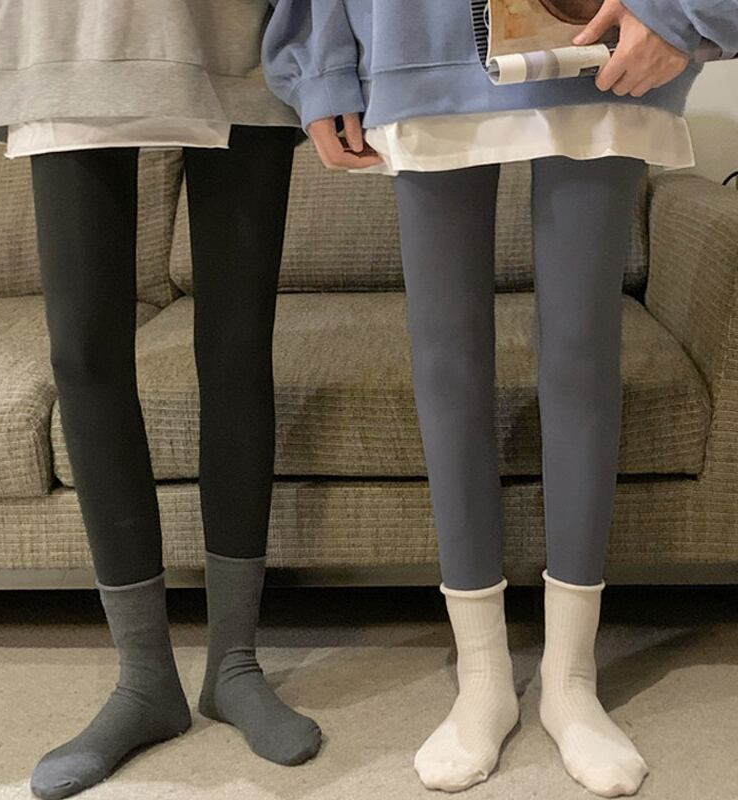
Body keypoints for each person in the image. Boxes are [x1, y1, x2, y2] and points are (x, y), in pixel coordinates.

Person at [262, 0, 738, 796]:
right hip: (417, 35)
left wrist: (680, 10)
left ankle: (570, 677)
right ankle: (482, 674)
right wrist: (323, 65)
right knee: (446, 360)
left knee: (583, 352)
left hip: (596, 37)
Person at [0, 2, 322, 798]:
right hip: (62, 37)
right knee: (84, 355)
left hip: (237, 34)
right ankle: (144, 679)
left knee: (237, 349)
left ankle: (234, 664)